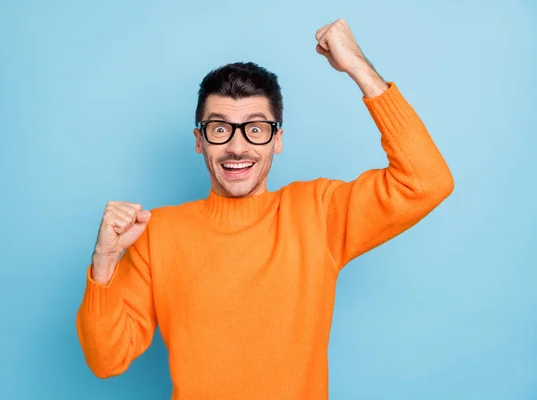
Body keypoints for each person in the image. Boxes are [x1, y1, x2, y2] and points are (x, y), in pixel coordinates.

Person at [76, 18, 454, 399]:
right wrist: (104, 261)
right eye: (220, 128)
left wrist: (357, 65)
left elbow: (427, 182)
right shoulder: (157, 233)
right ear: (199, 141)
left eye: (255, 128)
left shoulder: (318, 213)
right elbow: (106, 360)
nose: (238, 147)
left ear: (277, 140)